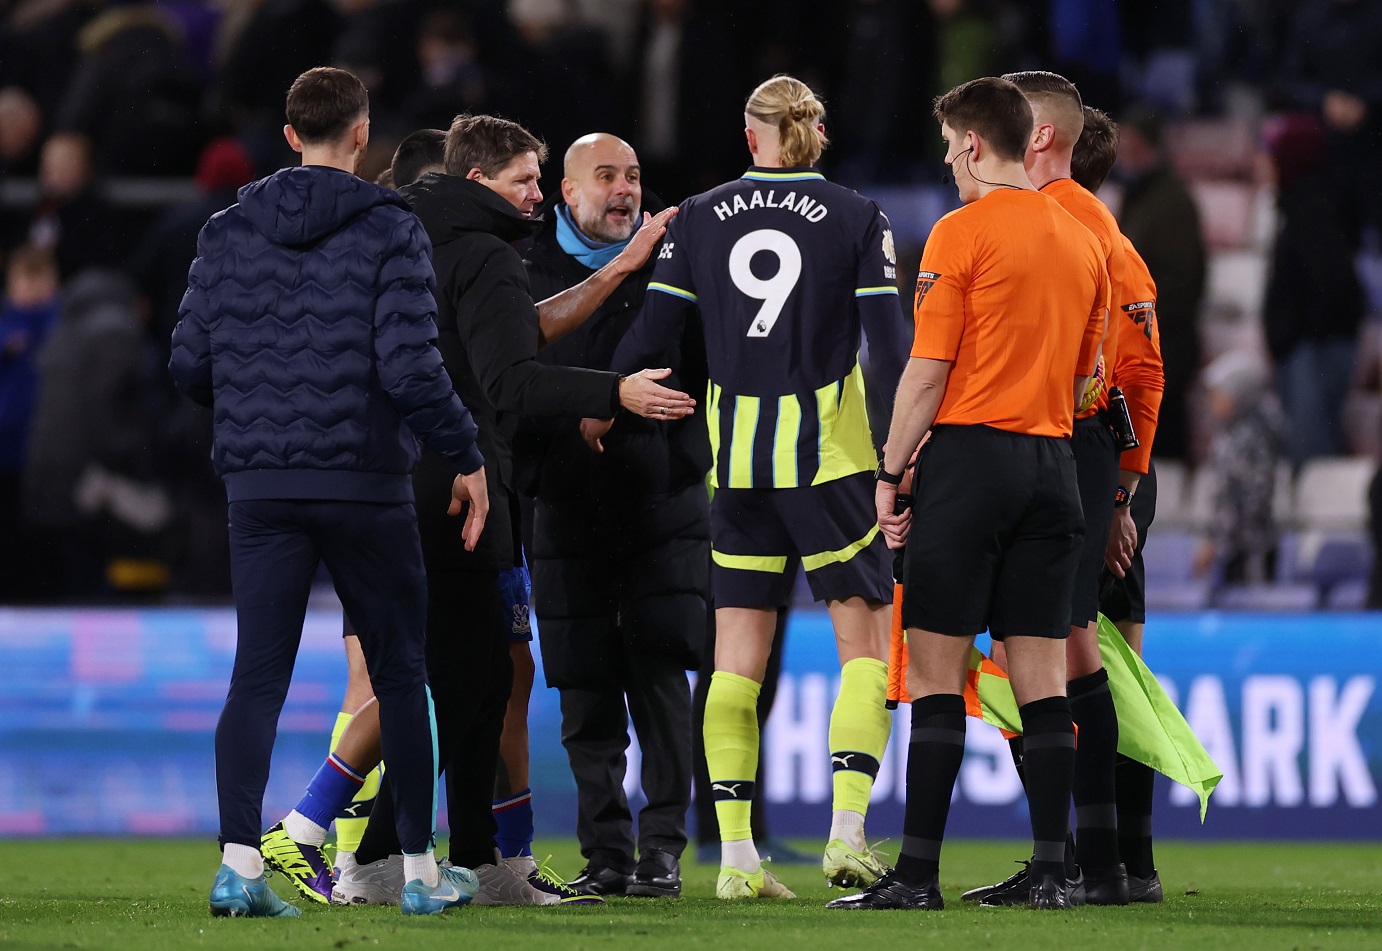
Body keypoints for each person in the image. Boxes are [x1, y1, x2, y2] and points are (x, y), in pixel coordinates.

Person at [340, 113, 691, 907]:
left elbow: (515, 332)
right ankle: (388, 854)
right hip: (466, 485)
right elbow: (513, 380)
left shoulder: (405, 241)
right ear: (479, 183)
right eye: (527, 180)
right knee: (464, 680)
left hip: (389, 478)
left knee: (457, 679)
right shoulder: (488, 257)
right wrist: (613, 390)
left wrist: (619, 267)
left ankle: (456, 856)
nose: (538, 195)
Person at [168, 66, 491, 918]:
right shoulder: (392, 227)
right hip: (364, 483)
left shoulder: (226, 230)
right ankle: (420, 874)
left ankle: (239, 866)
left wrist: (259, 400)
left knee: (258, 676)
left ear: (287, 134)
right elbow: (411, 367)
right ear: (360, 135)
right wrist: (464, 450)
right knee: (401, 673)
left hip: (260, 486)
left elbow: (188, 364)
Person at [608, 74, 909, 901]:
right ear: (812, 134)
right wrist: (901, 455)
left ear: (751, 139)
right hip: (831, 465)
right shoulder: (859, 216)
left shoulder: (698, 217)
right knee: (864, 649)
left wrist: (600, 395)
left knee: (734, 665)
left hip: (737, 470)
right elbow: (890, 347)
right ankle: (848, 834)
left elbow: (651, 338)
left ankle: (737, 857)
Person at [835, 75, 1106, 912]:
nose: (949, 163)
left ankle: (916, 874)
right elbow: (1091, 377)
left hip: (970, 463)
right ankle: (1053, 870)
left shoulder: (960, 233)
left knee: (938, 673)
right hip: (1055, 467)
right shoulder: (1084, 240)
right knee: (1042, 678)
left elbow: (925, 372)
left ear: (978, 146)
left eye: (953, 148)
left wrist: (890, 469)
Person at [517, 132, 709, 898]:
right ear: (568, 192)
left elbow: (694, 364)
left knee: (661, 677)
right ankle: (605, 853)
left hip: (661, 492)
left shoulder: (680, 261)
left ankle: (661, 848)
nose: (625, 190)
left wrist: (614, 414)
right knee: (586, 686)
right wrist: (590, 406)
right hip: (565, 498)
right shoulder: (526, 267)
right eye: (606, 176)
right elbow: (518, 371)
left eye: (632, 176)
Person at [960, 70, 1130, 907]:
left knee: (1062, 648)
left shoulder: (1071, 218)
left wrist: (1125, 490)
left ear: (1038, 139)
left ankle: (1081, 859)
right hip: (1070, 447)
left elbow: (1135, 363)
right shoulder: (1077, 220)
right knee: (1062, 647)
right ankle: (1090, 860)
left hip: (1070, 445)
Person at [1074, 105, 1168, 904]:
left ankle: (1110, 856)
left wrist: (1118, 497)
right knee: (1107, 674)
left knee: (1096, 675)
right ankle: (1121, 858)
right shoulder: (1099, 238)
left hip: (1105, 477)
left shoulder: (1106, 246)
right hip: (1106, 476)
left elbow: (1141, 379)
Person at [1114, 107, 1204, 461]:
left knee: (1159, 449)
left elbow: (1184, 281)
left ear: (1149, 147)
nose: (1121, 156)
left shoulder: (1171, 202)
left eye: (1129, 146)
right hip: (1143, 341)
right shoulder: (1138, 196)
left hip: (1166, 346)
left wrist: (1139, 315)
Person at [1192, 351, 1284, 584]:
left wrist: (1215, 540)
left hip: (1253, 548)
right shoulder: (1228, 434)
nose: (1212, 403)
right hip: (1231, 547)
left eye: (1218, 395)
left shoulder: (1254, 437)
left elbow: (1247, 497)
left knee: (1253, 611)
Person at [0, 244, 59, 601]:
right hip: (7, 448)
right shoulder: (6, 327)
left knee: (41, 531)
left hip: (46, 449)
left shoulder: (60, 327)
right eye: (25, 280)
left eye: (40, 280)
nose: (31, 289)